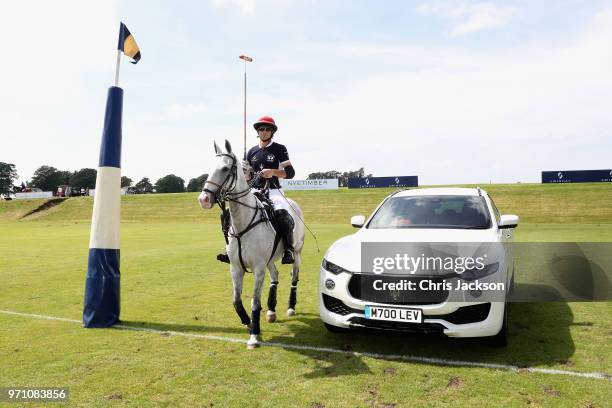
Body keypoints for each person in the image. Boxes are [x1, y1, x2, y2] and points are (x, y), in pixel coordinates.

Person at [217, 115, 296, 265]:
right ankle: (229, 248)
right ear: (258, 131)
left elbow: (290, 173)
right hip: (254, 190)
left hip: (274, 191)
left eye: (267, 129)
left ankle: (288, 249)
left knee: (282, 214)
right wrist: (246, 174)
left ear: (272, 132)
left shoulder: (279, 149)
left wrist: (273, 172)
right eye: (261, 129)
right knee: (228, 213)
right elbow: (249, 176)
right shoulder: (252, 151)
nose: (264, 132)